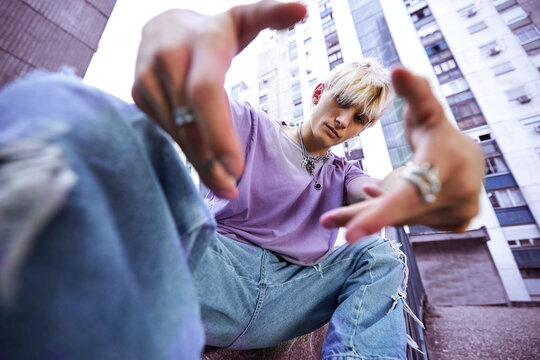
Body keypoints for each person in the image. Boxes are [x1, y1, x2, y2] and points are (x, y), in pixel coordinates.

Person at [0, 1, 484, 359]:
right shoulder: (251, 125)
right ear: (319, 91)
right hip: (213, 271)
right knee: (83, 108)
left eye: (359, 119)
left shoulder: (343, 173)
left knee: (380, 254)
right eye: (341, 102)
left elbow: (375, 192)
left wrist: (415, 186)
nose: (344, 120)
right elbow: (195, 101)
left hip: (290, 296)